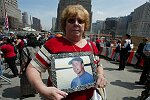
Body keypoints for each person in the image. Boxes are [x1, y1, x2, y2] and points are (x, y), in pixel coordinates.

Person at [26, 4, 107, 100]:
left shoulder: (91, 46)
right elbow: (33, 68)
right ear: (65, 24)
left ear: (85, 26)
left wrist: (100, 75)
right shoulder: (52, 44)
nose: (76, 23)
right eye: (71, 20)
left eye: (80, 21)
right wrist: (42, 89)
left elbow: (98, 65)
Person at [20, 33, 40, 98]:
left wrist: (21, 69)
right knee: (35, 79)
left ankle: (26, 94)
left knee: (26, 80)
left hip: (28, 67)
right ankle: (34, 91)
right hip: (37, 66)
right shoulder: (38, 48)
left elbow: (24, 61)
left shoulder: (25, 49)